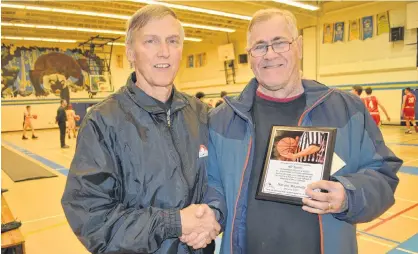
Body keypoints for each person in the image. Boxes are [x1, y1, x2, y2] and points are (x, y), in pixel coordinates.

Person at [196, 8, 402, 254]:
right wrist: (211, 212)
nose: (270, 54)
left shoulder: (347, 110)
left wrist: (348, 195)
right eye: (259, 47)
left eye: (280, 43)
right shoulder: (221, 120)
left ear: (299, 46)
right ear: (250, 56)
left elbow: (383, 174)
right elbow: (211, 184)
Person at [61, 5, 219, 254]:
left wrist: (214, 215)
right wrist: (172, 223)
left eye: (173, 41)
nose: (164, 52)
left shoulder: (200, 113)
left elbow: (220, 181)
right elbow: (91, 218)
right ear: (130, 53)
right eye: (151, 41)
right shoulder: (103, 122)